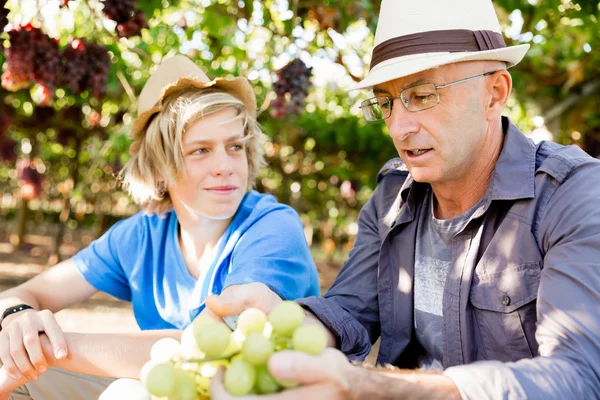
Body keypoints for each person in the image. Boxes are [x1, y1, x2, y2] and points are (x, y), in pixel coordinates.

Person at [208, 0, 600, 398]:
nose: (398, 126)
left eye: (423, 95)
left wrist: (371, 387)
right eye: (387, 102)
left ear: (494, 93)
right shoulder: (391, 198)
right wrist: (287, 323)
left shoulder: (572, 196)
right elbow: (350, 311)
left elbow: (579, 378)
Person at [0, 55, 320, 400]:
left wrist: (46, 347)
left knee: (126, 393)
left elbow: (205, 347)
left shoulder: (272, 227)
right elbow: (23, 295)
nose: (225, 166)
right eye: (200, 151)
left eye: (235, 147)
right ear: (159, 168)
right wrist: (18, 318)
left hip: (259, 392)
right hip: (177, 390)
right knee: (13, 359)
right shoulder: (141, 234)